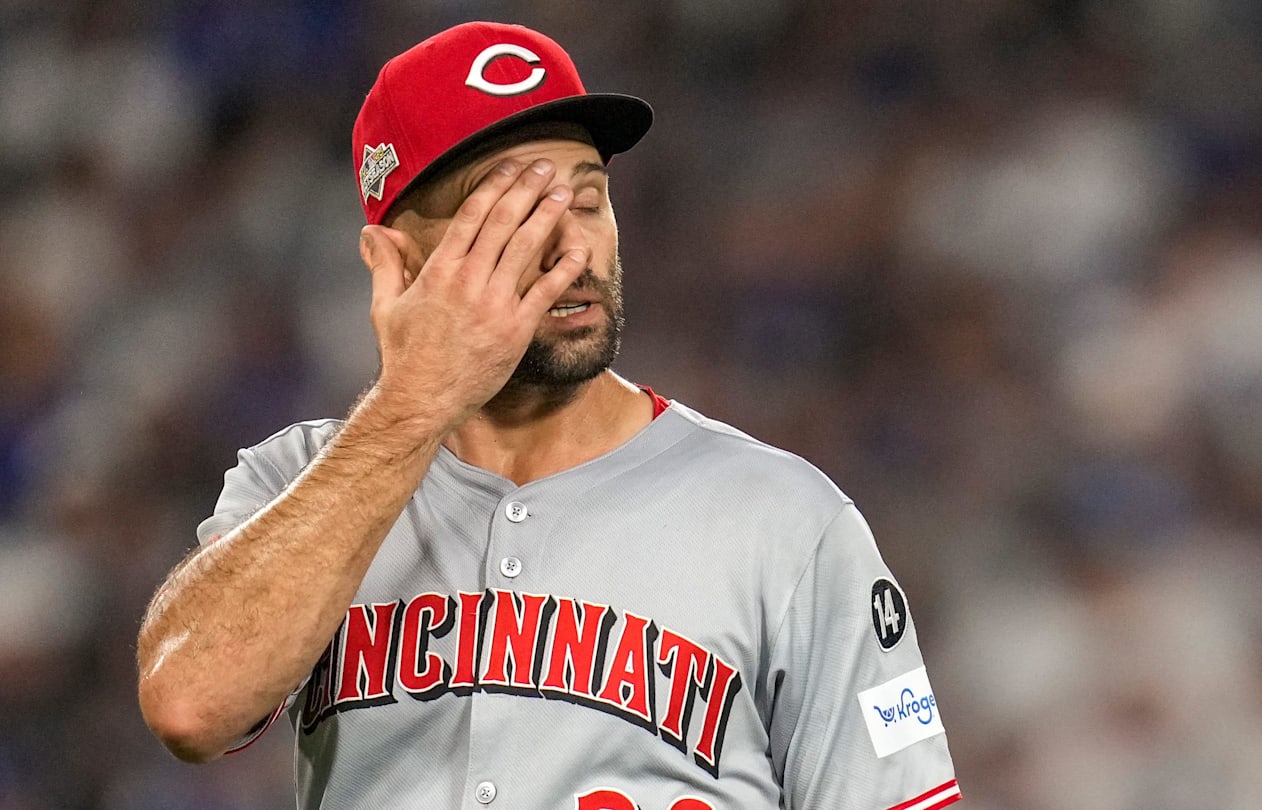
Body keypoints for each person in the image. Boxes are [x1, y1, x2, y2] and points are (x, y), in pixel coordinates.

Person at [136, 21, 959, 810]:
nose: (570, 247)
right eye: (509, 217)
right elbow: (190, 708)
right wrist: (411, 406)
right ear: (395, 259)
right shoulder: (299, 484)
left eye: (589, 200)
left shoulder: (785, 520)